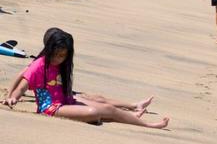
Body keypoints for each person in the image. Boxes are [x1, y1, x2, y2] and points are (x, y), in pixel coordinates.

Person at [1, 28, 169, 129]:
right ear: (49, 49)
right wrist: (12, 98)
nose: (59, 59)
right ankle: (141, 122)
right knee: (94, 112)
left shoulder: (63, 65)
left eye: (63, 56)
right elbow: (22, 86)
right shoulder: (39, 65)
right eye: (57, 55)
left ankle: (144, 123)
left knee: (108, 108)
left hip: (66, 102)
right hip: (50, 108)